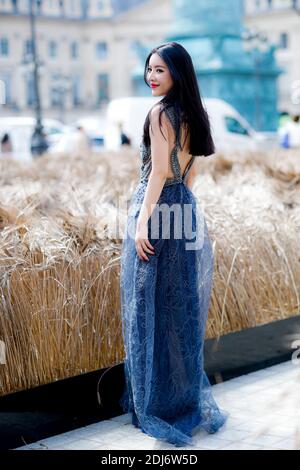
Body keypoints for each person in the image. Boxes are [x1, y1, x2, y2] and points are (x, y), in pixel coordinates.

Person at [119, 41, 228, 448]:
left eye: (159, 70)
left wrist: (143, 224)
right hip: (185, 209)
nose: (151, 76)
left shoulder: (160, 113)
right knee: (179, 308)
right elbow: (186, 174)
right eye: (149, 69)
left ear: (176, 74)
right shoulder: (192, 114)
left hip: (158, 214)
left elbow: (159, 172)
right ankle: (181, 400)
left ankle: (155, 405)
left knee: (147, 308)